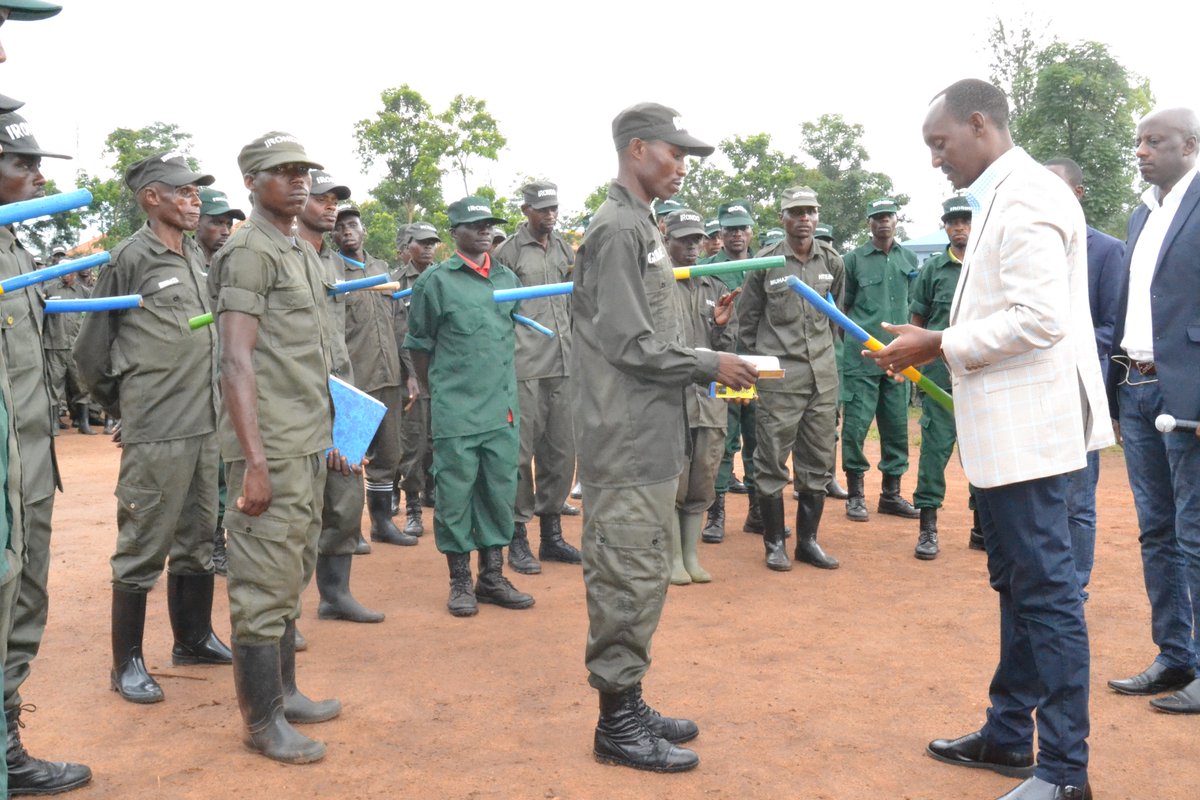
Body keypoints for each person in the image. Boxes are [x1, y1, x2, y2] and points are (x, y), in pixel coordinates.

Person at [871, 78, 1109, 800]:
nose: (936, 160)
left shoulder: (1031, 197)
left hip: (1034, 436)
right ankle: (1009, 736)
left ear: (980, 124)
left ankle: (1065, 774)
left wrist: (938, 342)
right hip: (1012, 436)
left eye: (941, 143)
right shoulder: (1004, 196)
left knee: (1048, 596)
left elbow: (1040, 320)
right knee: (1018, 587)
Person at [572, 102, 755, 773]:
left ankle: (630, 699)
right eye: (674, 153)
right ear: (638, 148)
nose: (681, 166)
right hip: (623, 437)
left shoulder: (639, 224)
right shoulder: (618, 228)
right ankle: (616, 724)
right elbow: (630, 342)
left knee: (643, 571)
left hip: (647, 431)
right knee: (626, 571)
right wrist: (711, 364)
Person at [209, 131, 348, 764]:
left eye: (303, 172)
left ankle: (285, 693)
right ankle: (261, 722)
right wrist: (256, 464)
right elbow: (235, 363)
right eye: (282, 172)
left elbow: (308, 356)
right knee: (262, 583)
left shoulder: (298, 248)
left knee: (290, 571)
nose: (298, 181)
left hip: (306, 439)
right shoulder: (248, 252)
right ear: (251, 183)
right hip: (271, 447)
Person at [74, 152, 233, 704]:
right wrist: (125, 404)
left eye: (197, 192)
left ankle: (193, 638)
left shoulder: (194, 255)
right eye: (185, 192)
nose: (195, 201)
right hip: (158, 426)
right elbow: (90, 349)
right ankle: (128, 664)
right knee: (143, 542)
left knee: (198, 538)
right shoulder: (130, 258)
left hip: (204, 423)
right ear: (152, 197)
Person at [0, 106, 92, 796]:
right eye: (22, 163)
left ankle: (8, 745)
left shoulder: (16, 249)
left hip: (30, 466)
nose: (36, 175)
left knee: (24, 602)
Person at [1103, 107, 1200, 714]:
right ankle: (1175, 656)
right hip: (1137, 388)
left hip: (1188, 392)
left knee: (1195, 535)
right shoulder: (1144, 211)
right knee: (1156, 531)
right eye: (1138, 140)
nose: (1141, 150)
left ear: (1191, 144)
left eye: (1154, 140)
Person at [404, 196, 534, 618]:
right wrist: (436, 390)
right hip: (457, 410)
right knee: (456, 494)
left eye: (489, 225)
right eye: (474, 224)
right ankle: (460, 579)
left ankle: (492, 576)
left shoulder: (507, 278)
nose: (484, 231)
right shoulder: (435, 282)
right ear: (455, 231)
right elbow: (419, 346)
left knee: (499, 491)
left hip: (501, 409)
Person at [738, 186, 842, 572]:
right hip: (779, 379)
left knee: (817, 464)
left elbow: (836, 319)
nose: (804, 218)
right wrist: (750, 378)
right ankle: (774, 544)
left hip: (822, 380)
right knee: (770, 463)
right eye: (796, 212)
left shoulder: (831, 261)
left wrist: (829, 366)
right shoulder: (765, 263)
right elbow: (746, 326)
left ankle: (807, 543)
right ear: (782, 218)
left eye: (810, 211)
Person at [296, 170, 382, 623]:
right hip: (297, 400)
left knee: (346, 496)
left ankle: (336, 594)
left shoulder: (334, 263)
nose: (331, 206)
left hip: (342, 392)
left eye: (336, 199)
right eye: (322, 198)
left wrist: (353, 405)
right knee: (298, 510)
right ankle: (284, 615)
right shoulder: (285, 257)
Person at [1044, 157, 1125, 597]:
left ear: (1078, 194)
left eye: (1057, 188)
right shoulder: (1029, 247)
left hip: (1079, 387)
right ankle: (1047, 577)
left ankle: (1074, 584)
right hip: (1034, 388)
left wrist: (1052, 339)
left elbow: (1116, 328)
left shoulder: (1108, 251)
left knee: (1077, 498)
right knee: (1041, 494)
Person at [493, 181, 580, 575]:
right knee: (519, 455)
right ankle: (518, 538)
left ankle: (552, 536)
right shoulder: (507, 253)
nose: (549, 214)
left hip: (564, 363)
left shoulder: (564, 249)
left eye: (554, 208)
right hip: (524, 365)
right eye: (541, 208)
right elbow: (497, 311)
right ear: (525, 210)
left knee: (561, 452)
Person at [333, 206, 417, 547]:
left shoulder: (382, 269)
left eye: (353, 225)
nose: (348, 232)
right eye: (340, 228)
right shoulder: (331, 272)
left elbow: (398, 324)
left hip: (389, 376)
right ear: (333, 236)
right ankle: (347, 531)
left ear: (363, 229)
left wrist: (409, 372)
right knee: (349, 458)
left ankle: (381, 523)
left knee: (388, 454)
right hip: (356, 381)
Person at [663, 208, 736, 585]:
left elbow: (726, 345)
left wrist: (721, 325)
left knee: (702, 478)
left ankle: (691, 556)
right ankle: (672, 559)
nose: (692, 247)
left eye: (697, 240)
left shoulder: (714, 286)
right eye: (684, 240)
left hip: (707, 400)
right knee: (672, 479)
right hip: (669, 399)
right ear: (667, 239)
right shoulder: (657, 284)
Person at [840, 197, 921, 523]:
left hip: (899, 358)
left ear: (896, 220)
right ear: (869, 223)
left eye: (888, 216)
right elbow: (842, 308)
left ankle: (891, 494)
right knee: (856, 426)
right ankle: (855, 495)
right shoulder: (853, 260)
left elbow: (916, 305)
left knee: (897, 426)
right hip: (863, 358)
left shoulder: (909, 257)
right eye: (877, 218)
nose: (883, 222)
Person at [908, 195, 971, 560]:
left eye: (964, 220)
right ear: (944, 226)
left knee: (982, 450)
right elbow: (917, 323)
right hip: (939, 377)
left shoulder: (989, 263)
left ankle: (983, 527)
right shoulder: (933, 269)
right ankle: (928, 526)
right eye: (952, 221)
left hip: (981, 374)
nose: (959, 227)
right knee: (934, 450)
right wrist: (914, 365)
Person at [194, 187, 245, 576]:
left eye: (229, 222)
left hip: (229, 381)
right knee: (200, 474)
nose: (225, 229)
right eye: (216, 222)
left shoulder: (234, 264)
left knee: (226, 468)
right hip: (190, 387)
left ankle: (219, 543)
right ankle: (203, 543)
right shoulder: (184, 263)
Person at [702, 198, 758, 542]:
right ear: (720, 233)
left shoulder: (765, 264)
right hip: (722, 364)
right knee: (721, 442)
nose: (736, 235)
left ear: (751, 232)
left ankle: (757, 512)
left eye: (742, 228)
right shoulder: (706, 268)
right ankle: (715, 513)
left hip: (756, 365)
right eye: (730, 229)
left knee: (759, 441)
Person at [393, 221, 438, 537]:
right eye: (422, 242)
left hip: (444, 373)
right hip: (413, 377)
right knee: (414, 444)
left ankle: (436, 497)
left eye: (433, 242)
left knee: (440, 442)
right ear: (408, 247)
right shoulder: (396, 284)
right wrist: (411, 375)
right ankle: (412, 508)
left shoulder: (445, 277)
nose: (428, 247)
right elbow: (399, 333)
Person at [42, 268, 91, 435]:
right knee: (54, 385)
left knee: (81, 384)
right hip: (54, 344)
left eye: (69, 272)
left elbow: (92, 316)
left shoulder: (83, 291)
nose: (65, 274)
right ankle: (54, 423)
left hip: (77, 346)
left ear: (75, 273)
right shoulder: (49, 290)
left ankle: (84, 423)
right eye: (63, 271)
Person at [195, 187, 245, 266]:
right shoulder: (181, 262)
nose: (226, 232)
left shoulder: (235, 264)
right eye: (217, 223)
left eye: (229, 224)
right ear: (196, 222)